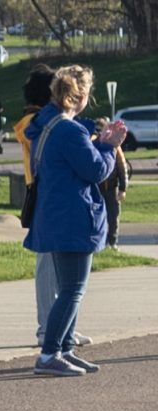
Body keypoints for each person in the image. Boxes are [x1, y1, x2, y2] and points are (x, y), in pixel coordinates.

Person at [25, 65, 126, 377]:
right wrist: (109, 146)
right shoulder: (69, 130)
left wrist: (100, 146)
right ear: (80, 96)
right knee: (72, 289)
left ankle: (64, 347)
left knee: (71, 287)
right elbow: (95, 171)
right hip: (72, 218)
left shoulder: (47, 126)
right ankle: (49, 354)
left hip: (55, 216)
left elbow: (77, 162)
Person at [95, 117, 128, 250]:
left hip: (111, 188)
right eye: (96, 131)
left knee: (113, 216)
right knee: (97, 217)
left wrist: (123, 188)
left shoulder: (115, 146)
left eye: (100, 130)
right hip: (97, 189)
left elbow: (121, 167)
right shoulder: (91, 145)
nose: (98, 134)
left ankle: (112, 241)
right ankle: (100, 242)